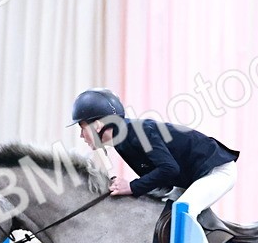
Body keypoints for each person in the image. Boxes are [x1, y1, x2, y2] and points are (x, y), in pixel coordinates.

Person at [70, 88, 239, 215]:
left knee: (183, 212)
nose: (81, 135)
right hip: (192, 178)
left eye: (82, 127)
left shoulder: (138, 131)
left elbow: (169, 169)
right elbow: (160, 178)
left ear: (97, 125)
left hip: (216, 171)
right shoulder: (121, 141)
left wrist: (132, 186)